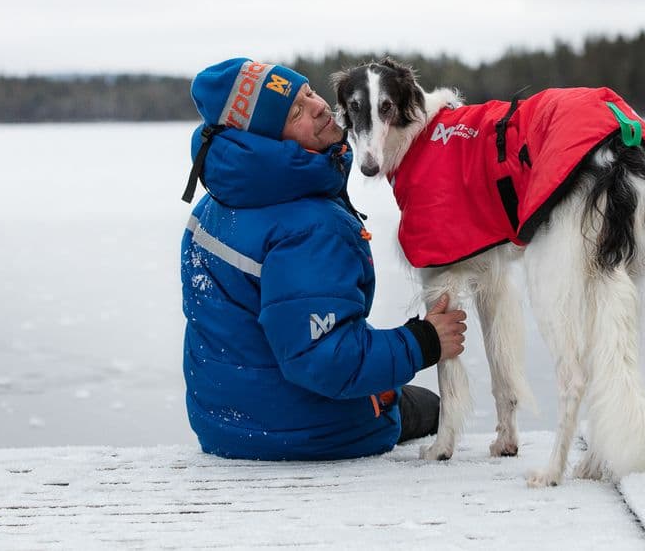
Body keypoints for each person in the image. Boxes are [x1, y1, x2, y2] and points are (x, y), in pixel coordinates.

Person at [180, 58, 467, 460]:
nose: (318, 107)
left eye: (308, 92)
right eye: (295, 112)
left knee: (410, 397)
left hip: (223, 422)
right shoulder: (309, 226)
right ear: (269, 140)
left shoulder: (216, 204)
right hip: (305, 431)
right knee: (431, 409)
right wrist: (424, 342)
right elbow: (324, 360)